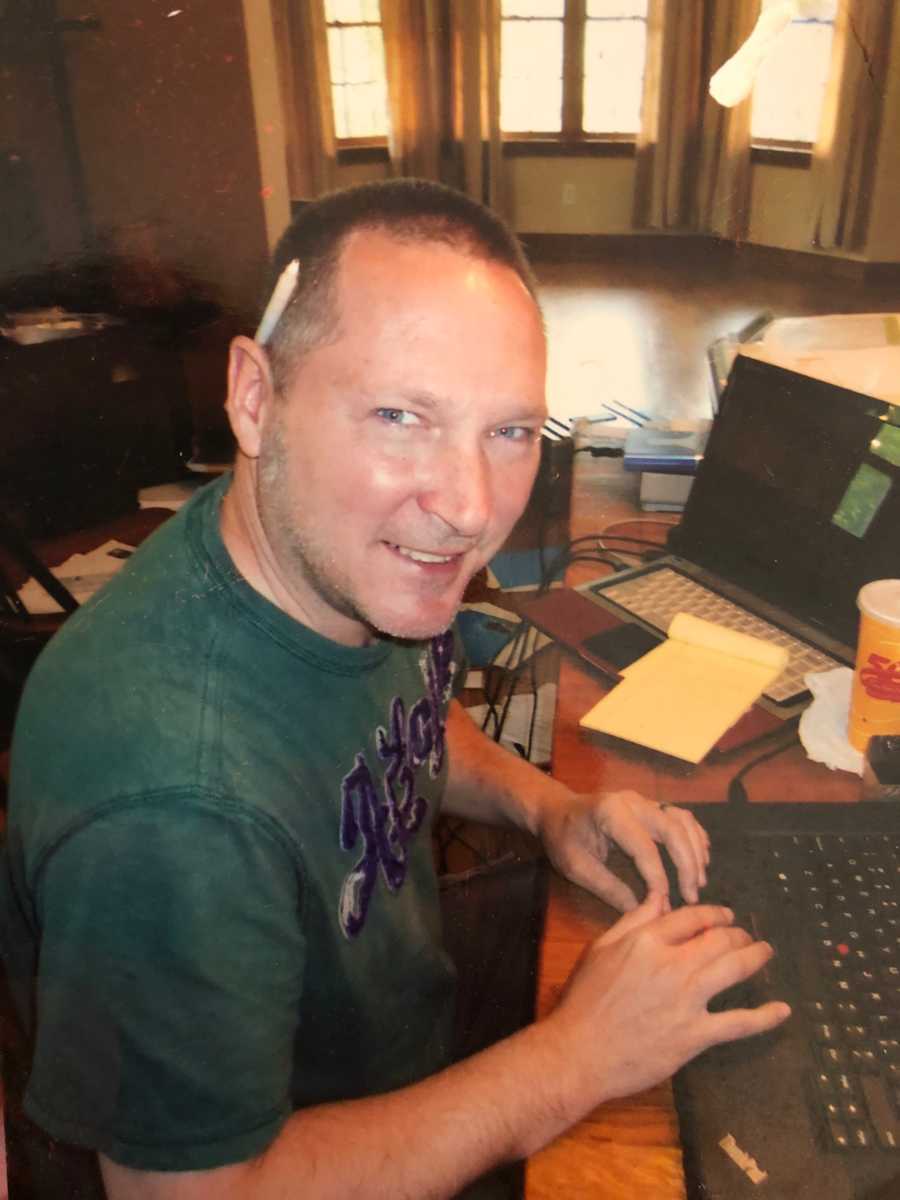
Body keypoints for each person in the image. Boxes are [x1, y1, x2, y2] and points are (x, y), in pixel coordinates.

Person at [1, 178, 790, 1200]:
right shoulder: (172, 805)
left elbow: (399, 717)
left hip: (396, 1000)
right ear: (254, 398)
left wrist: (546, 807)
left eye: (509, 432)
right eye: (399, 415)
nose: (467, 509)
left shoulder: (329, 563)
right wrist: (574, 1059)